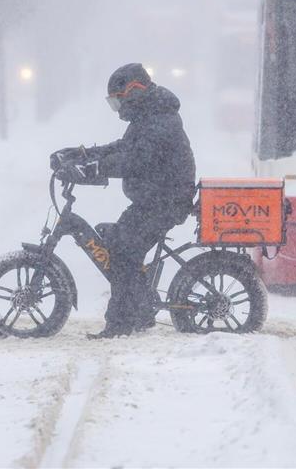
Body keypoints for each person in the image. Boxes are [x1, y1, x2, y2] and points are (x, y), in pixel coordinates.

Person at [54, 63, 196, 339]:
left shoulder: (160, 119)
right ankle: (140, 310)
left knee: (123, 250)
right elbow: (124, 147)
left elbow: (136, 160)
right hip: (156, 199)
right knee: (120, 240)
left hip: (165, 201)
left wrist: (96, 169)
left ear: (134, 91)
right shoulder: (149, 115)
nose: (118, 108)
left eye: (118, 101)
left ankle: (120, 324)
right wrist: (83, 155)